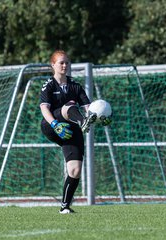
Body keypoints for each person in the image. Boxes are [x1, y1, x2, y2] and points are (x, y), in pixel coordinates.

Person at [39, 50, 111, 214]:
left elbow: (89, 109)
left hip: (71, 129)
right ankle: (81, 123)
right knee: (70, 105)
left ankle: (64, 207)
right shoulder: (49, 85)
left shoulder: (75, 86)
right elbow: (44, 109)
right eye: (61, 63)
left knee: (75, 170)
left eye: (67, 63)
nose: (65, 66)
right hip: (51, 125)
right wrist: (55, 123)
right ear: (53, 65)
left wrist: (100, 118)